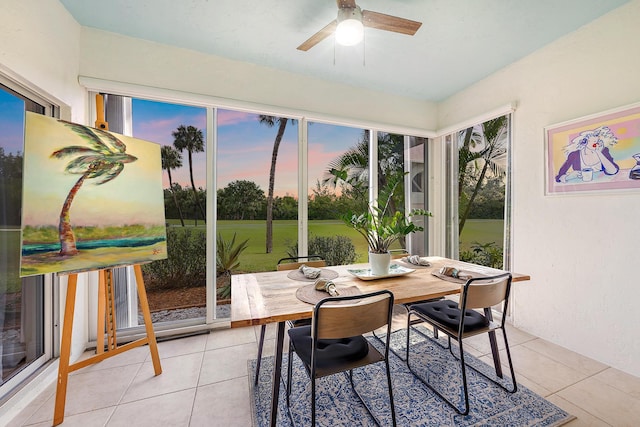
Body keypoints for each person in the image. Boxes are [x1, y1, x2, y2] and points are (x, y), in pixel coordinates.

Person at [555, 126, 619, 183]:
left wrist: (598, 152)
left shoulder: (603, 151)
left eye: (598, 141)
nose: (597, 144)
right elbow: (559, 176)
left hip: (602, 183)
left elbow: (613, 171)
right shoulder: (574, 155)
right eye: (594, 142)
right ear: (585, 142)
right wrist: (569, 177)